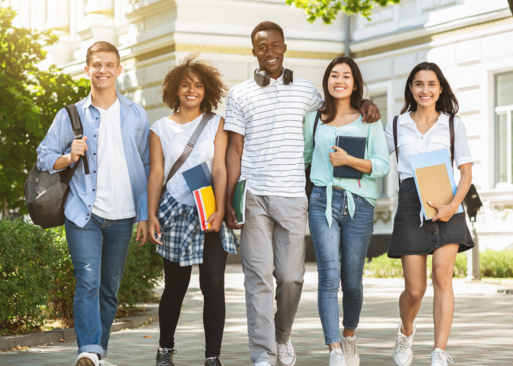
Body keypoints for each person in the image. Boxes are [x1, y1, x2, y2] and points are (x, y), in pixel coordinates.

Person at [224, 21, 380, 366]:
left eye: (275, 45)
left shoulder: (309, 91)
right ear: (254, 52)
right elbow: (234, 150)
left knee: (292, 278)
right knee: (259, 278)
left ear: (284, 47)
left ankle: (282, 337)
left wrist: (366, 103)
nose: (269, 52)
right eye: (262, 47)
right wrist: (229, 200)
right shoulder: (239, 94)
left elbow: (340, 107)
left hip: (294, 195)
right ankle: (263, 354)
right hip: (253, 194)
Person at [36, 41, 150, 366]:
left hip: (124, 216)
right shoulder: (70, 114)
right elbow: (43, 157)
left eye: (109, 65)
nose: (103, 70)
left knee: (109, 291)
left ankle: (97, 356)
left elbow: (145, 166)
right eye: (96, 65)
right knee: (88, 281)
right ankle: (88, 351)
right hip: (84, 214)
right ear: (87, 70)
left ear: (119, 69)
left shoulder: (136, 114)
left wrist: (144, 215)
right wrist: (67, 156)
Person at [146, 54, 239, 366]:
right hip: (174, 212)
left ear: (206, 90)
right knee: (175, 287)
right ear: (175, 89)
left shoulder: (216, 123)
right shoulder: (160, 127)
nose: (192, 90)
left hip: (209, 208)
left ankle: (212, 357)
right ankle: (165, 350)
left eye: (198, 85)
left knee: (213, 285)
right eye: (185, 85)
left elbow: (220, 170)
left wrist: (219, 210)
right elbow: (156, 174)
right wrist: (150, 215)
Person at [384, 62, 475, 366]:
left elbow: (465, 172)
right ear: (410, 88)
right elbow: (377, 160)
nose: (425, 90)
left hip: (448, 202)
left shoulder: (453, 124)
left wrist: (453, 206)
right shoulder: (396, 125)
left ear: (440, 89)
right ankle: (406, 332)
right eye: (419, 84)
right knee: (414, 290)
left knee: (441, 275)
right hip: (411, 205)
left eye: (431, 84)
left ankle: (439, 351)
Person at [304, 56, 390, 366]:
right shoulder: (314, 118)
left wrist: (350, 161)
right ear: (327, 81)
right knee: (328, 276)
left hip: (360, 204)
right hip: (322, 201)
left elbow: (382, 165)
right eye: (334, 75)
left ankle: (349, 336)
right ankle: (334, 349)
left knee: (352, 281)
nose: (339, 80)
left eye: (346, 76)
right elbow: (304, 157)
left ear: (355, 83)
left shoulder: (369, 118)